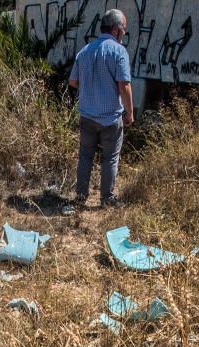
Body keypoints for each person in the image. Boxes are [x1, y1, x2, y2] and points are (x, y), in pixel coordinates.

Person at [68, 9, 134, 208]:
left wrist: (90, 87)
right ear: (115, 29)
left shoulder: (85, 51)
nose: (124, 34)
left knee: (85, 157)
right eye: (123, 30)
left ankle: (81, 196)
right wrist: (130, 113)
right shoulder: (118, 51)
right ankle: (106, 199)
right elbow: (124, 86)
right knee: (110, 159)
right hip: (110, 118)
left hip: (87, 115)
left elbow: (72, 81)